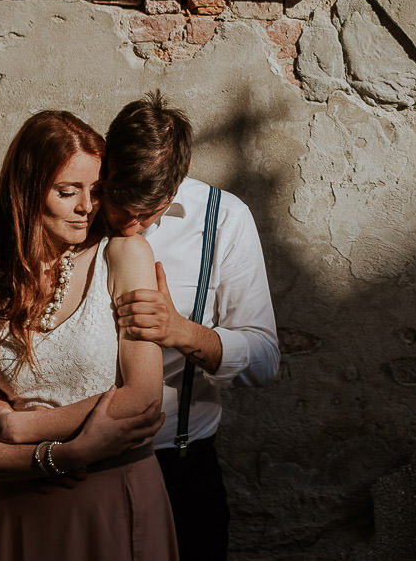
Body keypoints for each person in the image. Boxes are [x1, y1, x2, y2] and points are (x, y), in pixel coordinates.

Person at [0, 110, 176, 560]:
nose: (87, 206)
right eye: (67, 191)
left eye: (96, 190)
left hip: (113, 499)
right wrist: (64, 455)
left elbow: (143, 397)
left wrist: (16, 426)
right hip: (21, 511)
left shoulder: (123, 255)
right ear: (27, 192)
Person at [103, 91, 281, 561]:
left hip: (178, 469)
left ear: (176, 184)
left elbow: (264, 361)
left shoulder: (225, 219)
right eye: (121, 205)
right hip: (81, 468)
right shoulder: (78, 204)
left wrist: (181, 331)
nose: (131, 225)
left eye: (149, 212)